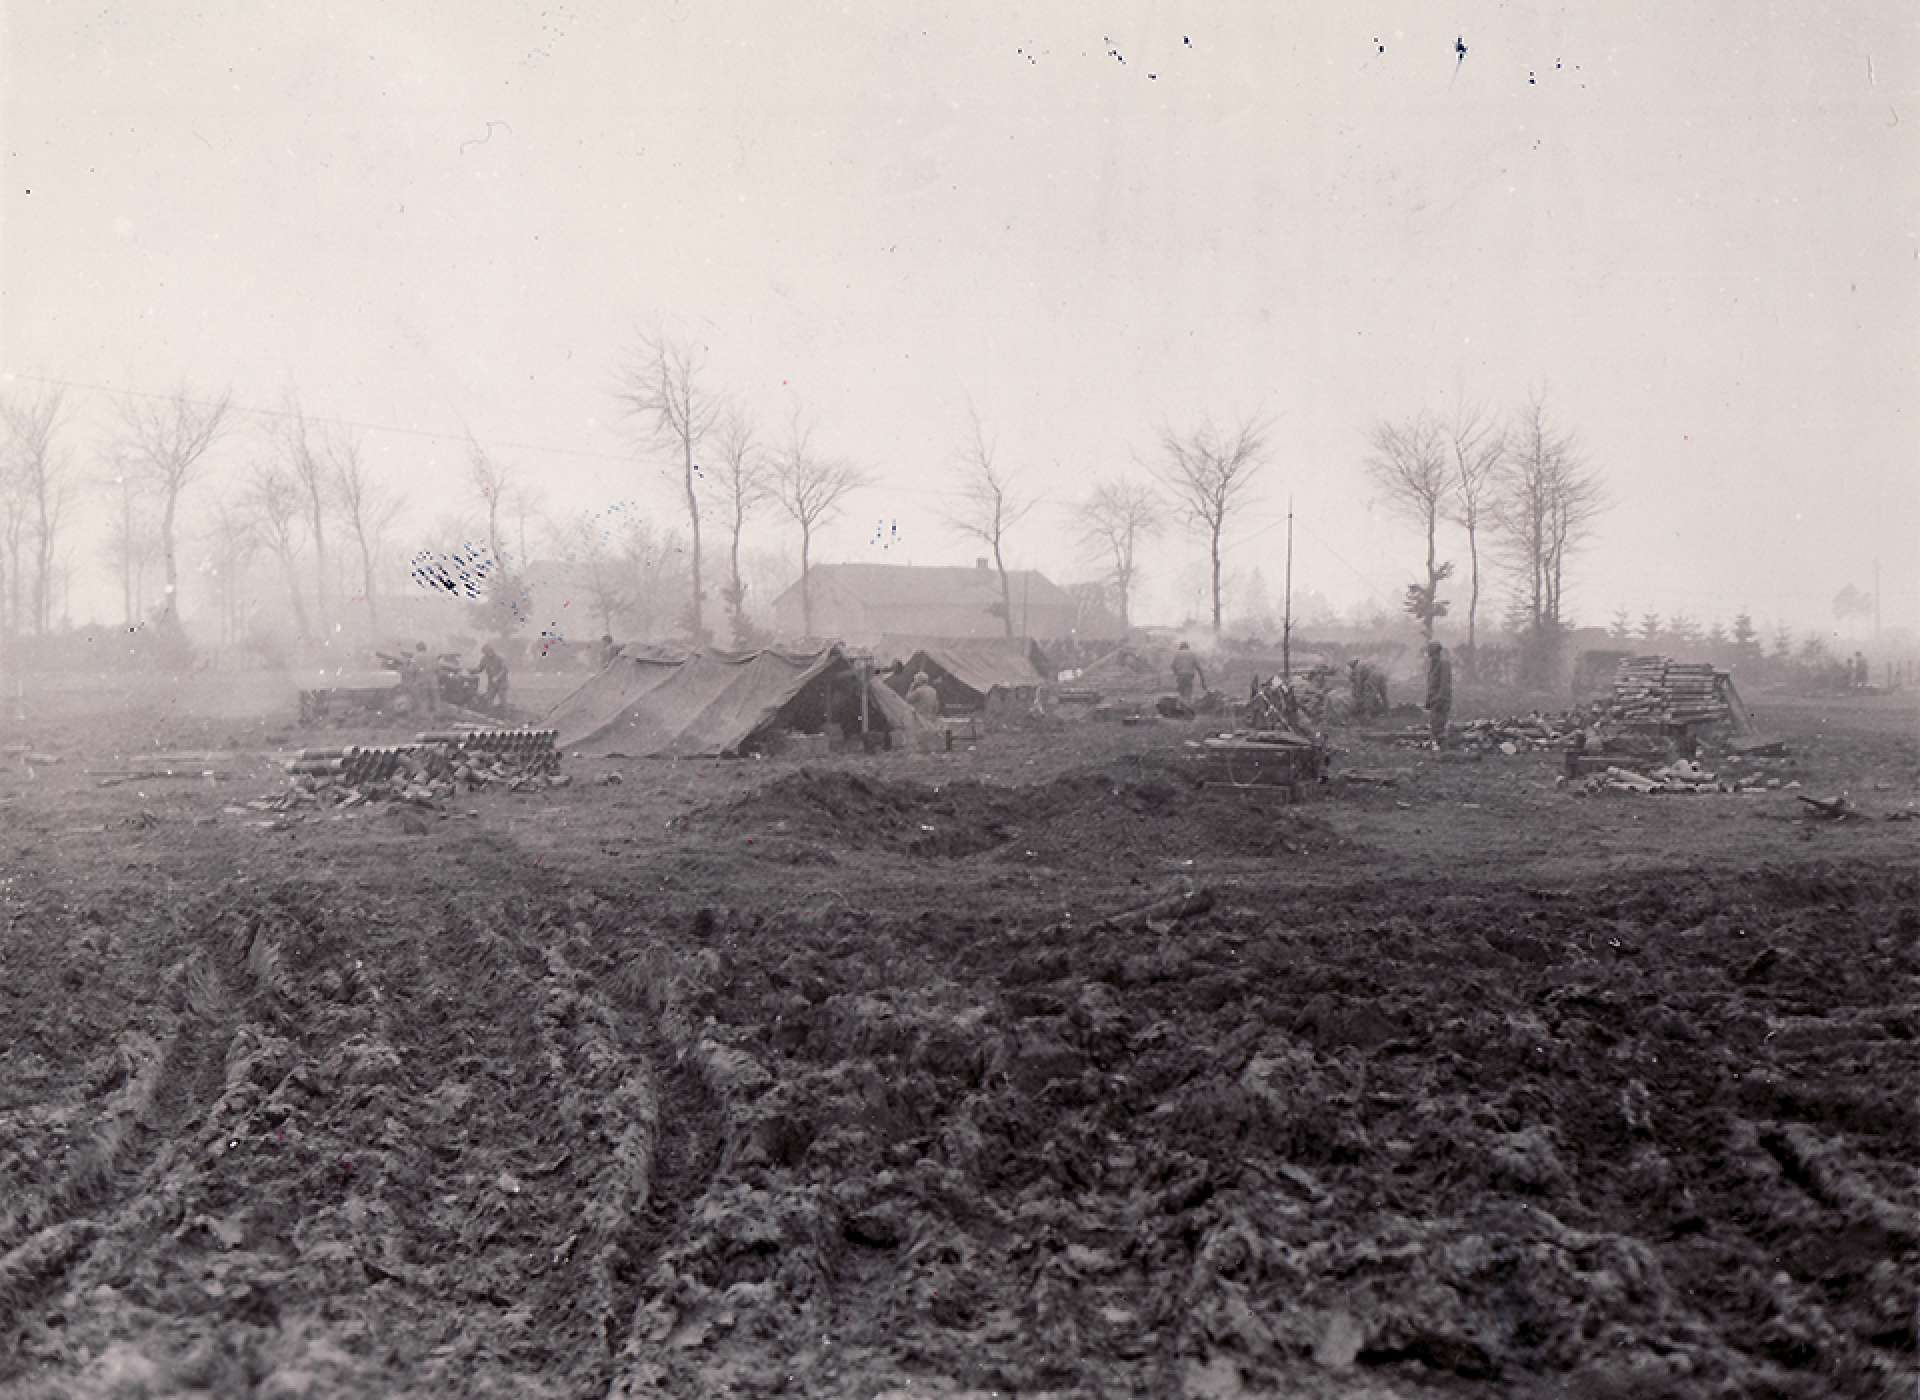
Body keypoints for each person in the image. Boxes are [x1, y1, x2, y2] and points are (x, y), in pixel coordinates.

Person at [1425, 640, 1453, 749]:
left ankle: (1445, 751)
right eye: (1431, 654)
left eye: (1433, 654)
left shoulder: (1444, 664)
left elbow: (1444, 684)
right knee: (1434, 725)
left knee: (1439, 726)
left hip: (1441, 700)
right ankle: (1439, 749)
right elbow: (1431, 684)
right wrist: (1428, 700)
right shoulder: (1433, 665)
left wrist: (1439, 699)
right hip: (1434, 700)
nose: (1432, 656)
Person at [905, 671, 942, 753]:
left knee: (919, 737)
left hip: (920, 716)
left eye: (915, 680)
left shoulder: (919, 691)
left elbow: (908, 699)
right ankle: (929, 752)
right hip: (930, 715)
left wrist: (911, 687)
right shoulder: (933, 690)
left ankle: (921, 754)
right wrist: (934, 714)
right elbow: (936, 704)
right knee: (928, 736)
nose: (914, 681)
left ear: (919, 681)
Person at [474, 642, 510, 713]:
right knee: (489, 699)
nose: (488, 653)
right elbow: (479, 669)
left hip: (502, 683)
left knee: (503, 700)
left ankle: (507, 716)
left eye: (489, 651)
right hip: (491, 683)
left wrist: (497, 677)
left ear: (492, 650)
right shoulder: (484, 659)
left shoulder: (500, 658)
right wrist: (469, 671)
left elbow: (505, 669)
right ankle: (491, 715)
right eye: (486, 652)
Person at [411, 640, 441, 721]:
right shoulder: (433, 656)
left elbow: (412, 670)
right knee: (436, 699)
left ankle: (426, 718)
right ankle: (438, 715)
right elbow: (438, 669)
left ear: (417, 648)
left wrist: (414, 681)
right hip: (433, 682)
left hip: (422, 682)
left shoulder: (415, 657)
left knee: (424, 699)